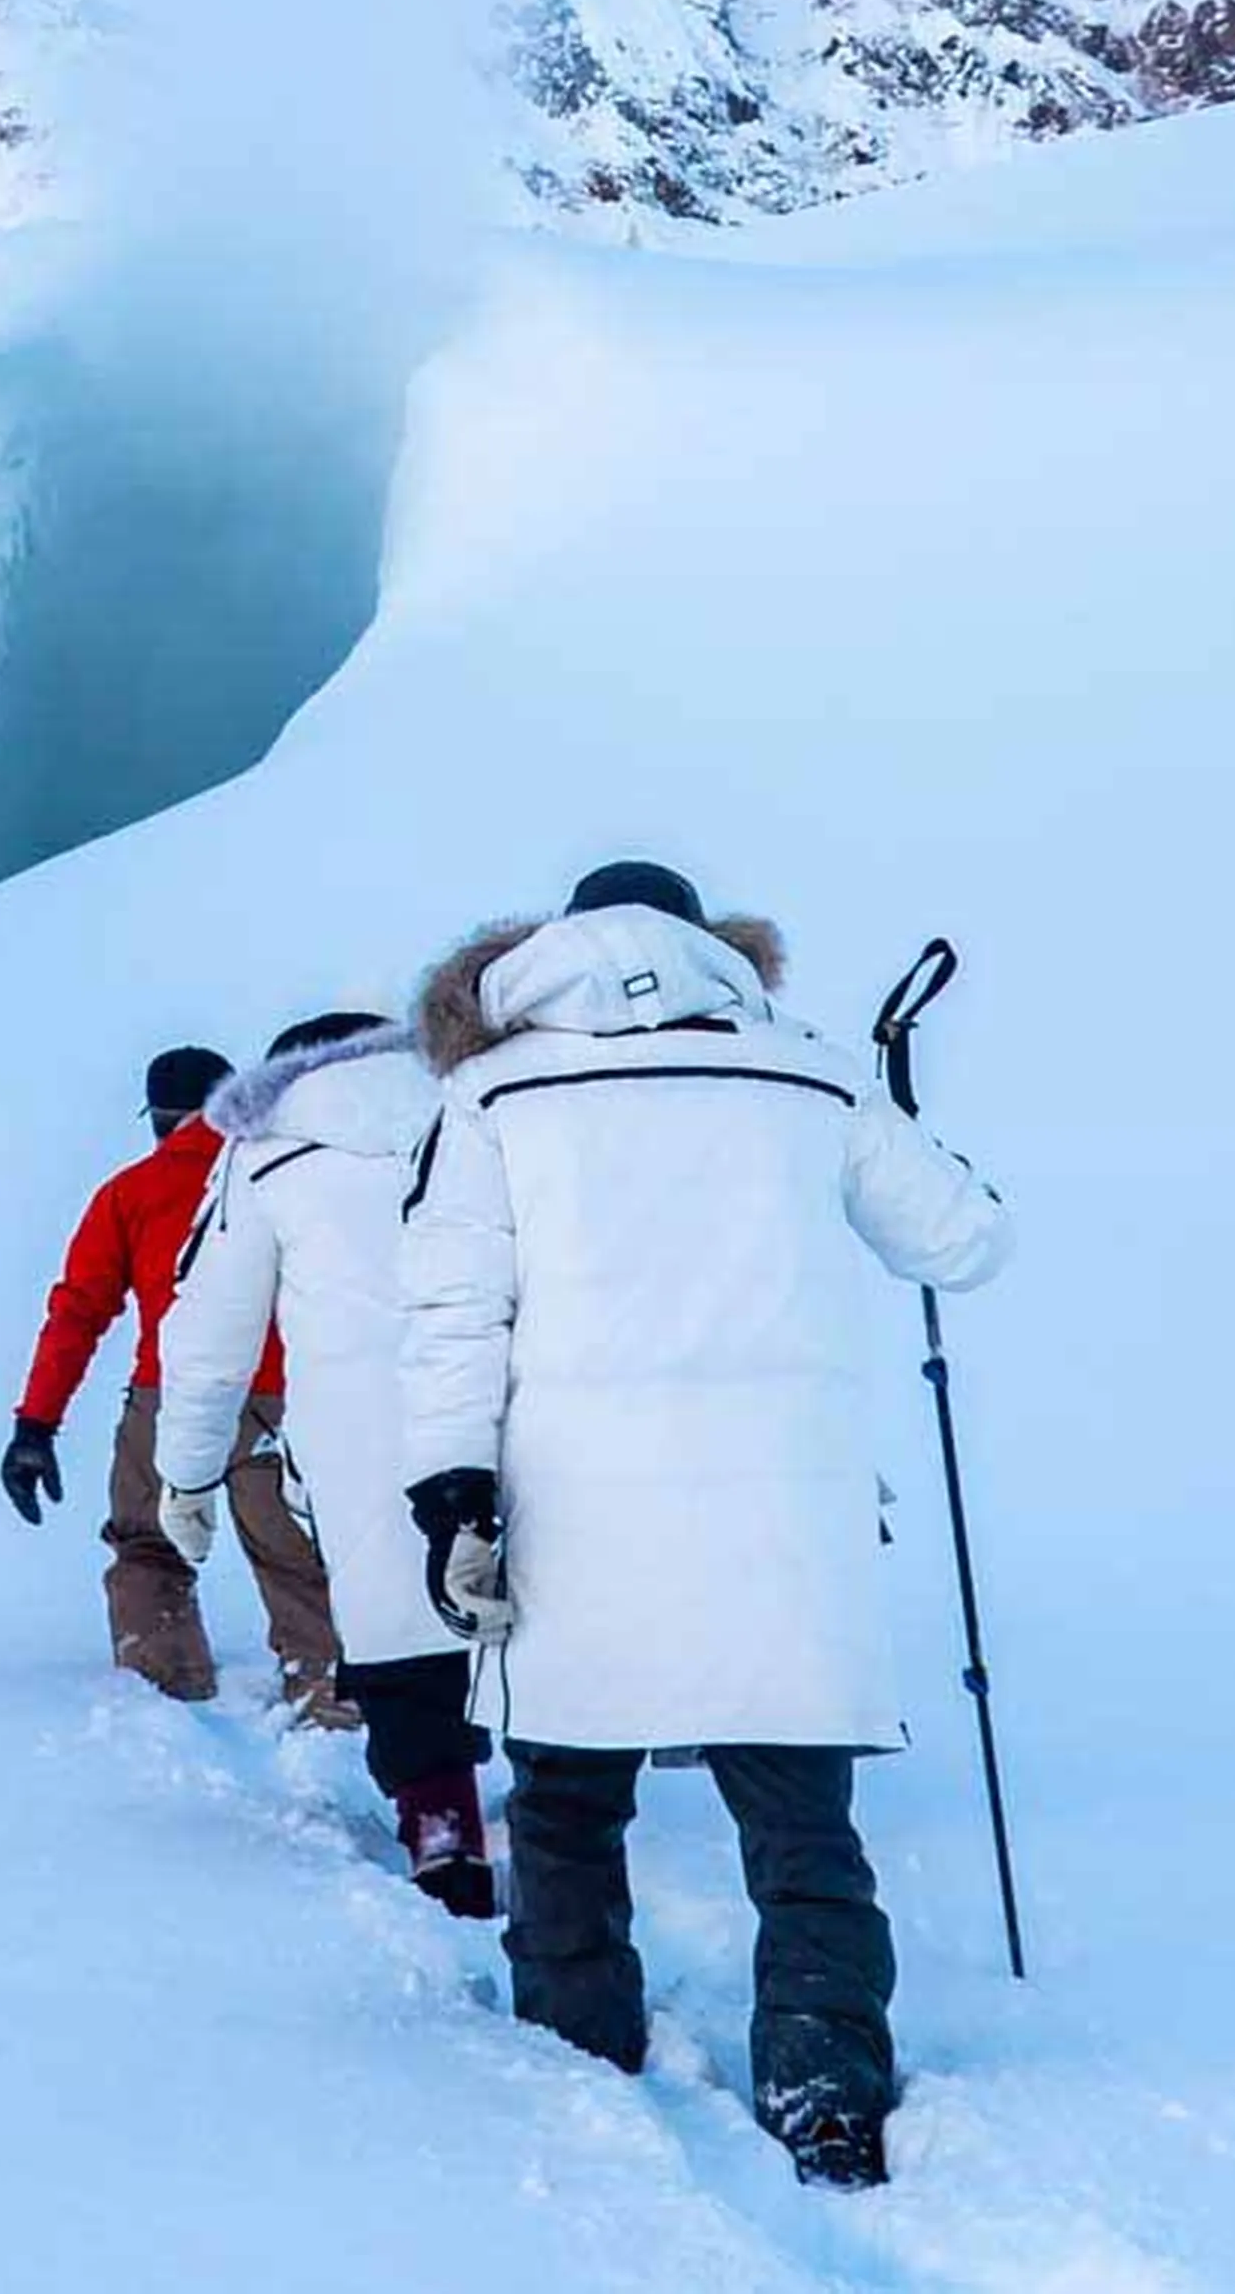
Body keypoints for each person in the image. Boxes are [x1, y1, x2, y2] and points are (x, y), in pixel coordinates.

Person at [397, 861, 1013, 2191]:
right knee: (802, 1820)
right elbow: (965, 1241)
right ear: (715, 946)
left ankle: (579, 2055)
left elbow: (453, 1308)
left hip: (576, 1499)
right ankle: (826, 2083)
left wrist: (451, 1484)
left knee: (566, 1801)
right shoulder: (808, 1068)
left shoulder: (490, 1090)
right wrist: (900, 1101)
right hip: (781, 1509)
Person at [155, 1012, 493, 1915]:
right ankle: (565, 1839)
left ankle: (445, 1839)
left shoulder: (262, 1150)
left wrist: (186, 1476)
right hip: (507, 1412)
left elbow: (207, 1337)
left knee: (402, 1641)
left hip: (359, 1437)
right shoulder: (480, 1110)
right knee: (521, 1630)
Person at [5, 1045, 346, 1718]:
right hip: (283, 1395)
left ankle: (165, 1686)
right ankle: (328, 1689)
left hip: (168, 1394)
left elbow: (76, 1313)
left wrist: (34, 1425)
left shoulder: (128, 1193)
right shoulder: (280, 1175)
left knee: (148, 1544)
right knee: (295, 1554)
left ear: (158, 1118)